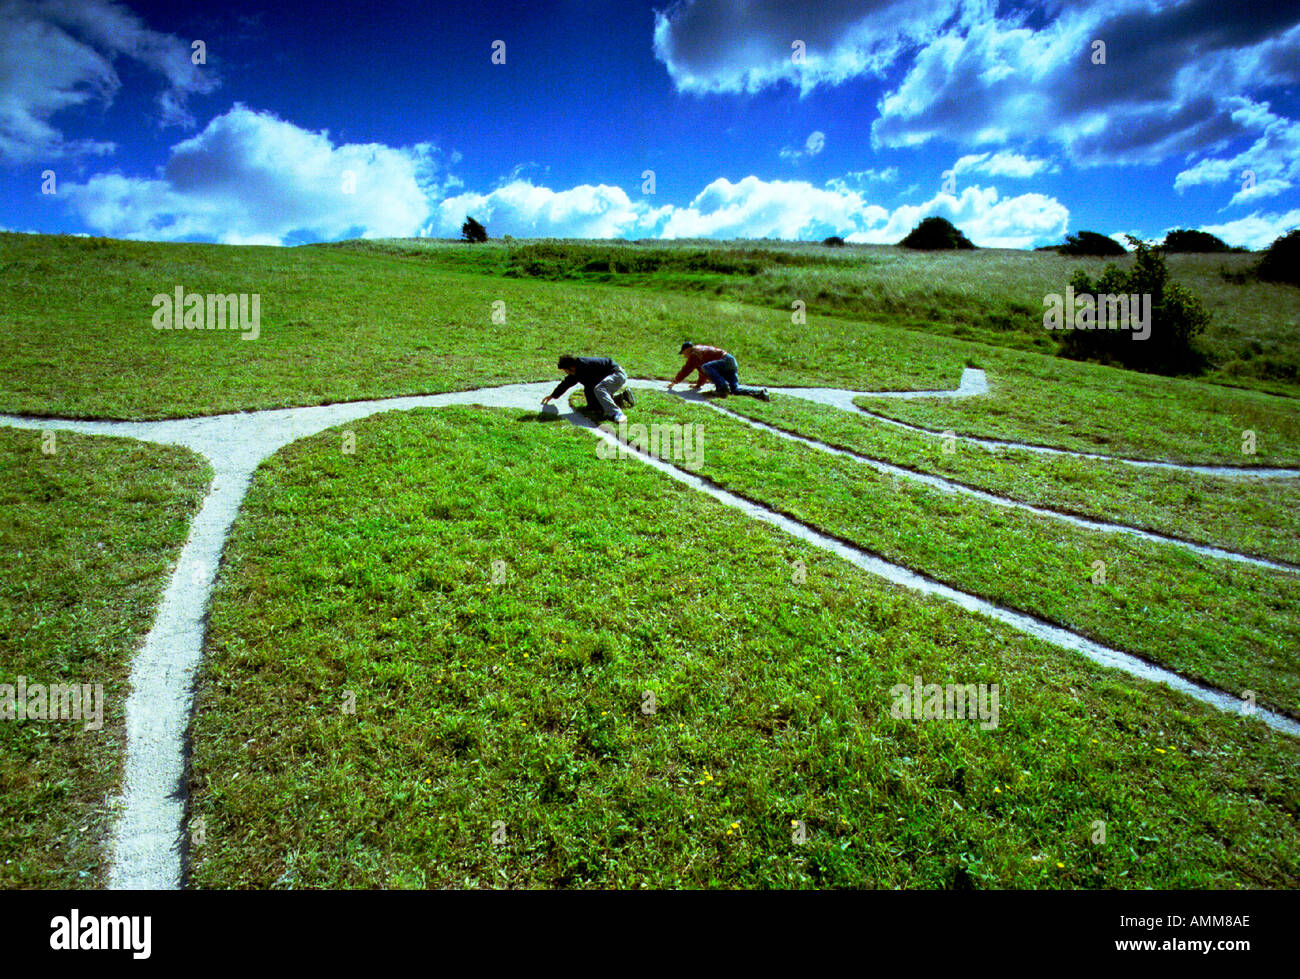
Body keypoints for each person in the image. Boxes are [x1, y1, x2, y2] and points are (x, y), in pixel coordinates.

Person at [541, 354, 634, 422]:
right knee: (594, 404)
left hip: (617, 374)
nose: (566, 372)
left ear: (571, 367)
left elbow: (593, 384)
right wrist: (553, 395)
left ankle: (616, 413)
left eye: (565, 370)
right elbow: (567, 383)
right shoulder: (578, 369)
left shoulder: (586, 366)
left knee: (599, 389)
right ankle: (622, 396)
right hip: (609, 377)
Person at [666, 341, 769, 400]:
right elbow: (703, 373)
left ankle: (722, 387)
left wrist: (675, 381)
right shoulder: (699, 354)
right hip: (731, 362)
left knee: (706, 367)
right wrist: (698, 386)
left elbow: (687, 369)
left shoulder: (694, 354)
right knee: (735, 389)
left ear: (687, 349)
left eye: (683, 353)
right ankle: (760, 392)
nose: (684, 355)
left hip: (726, 360)